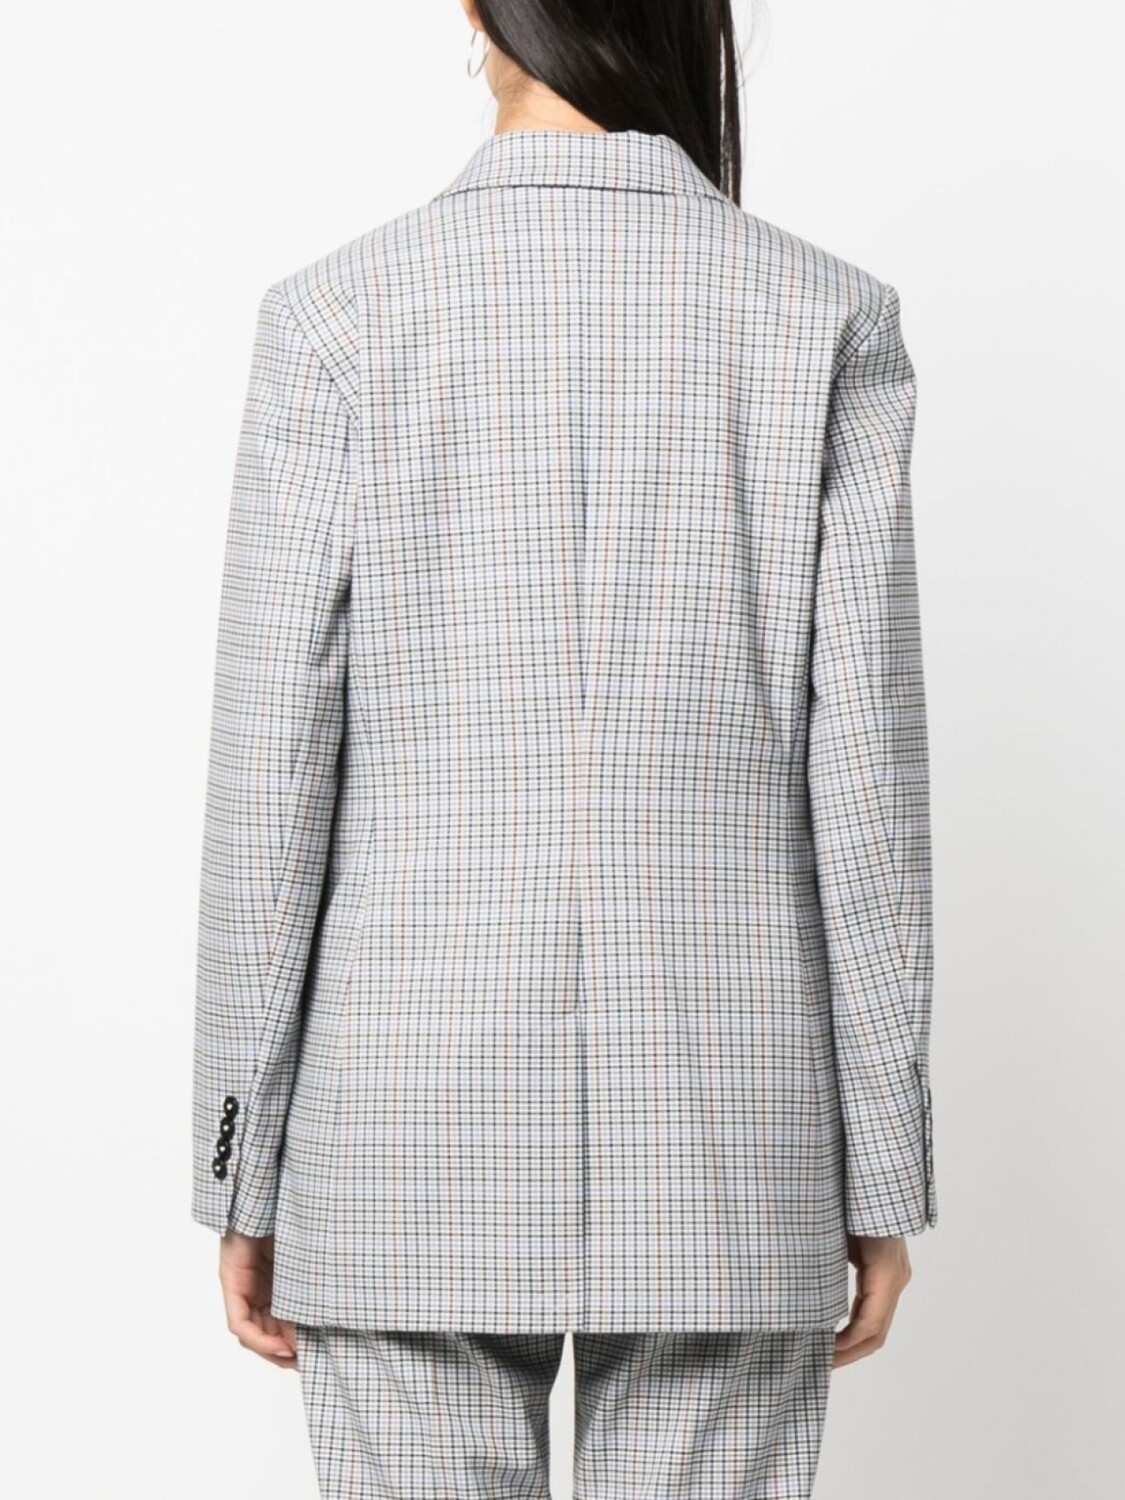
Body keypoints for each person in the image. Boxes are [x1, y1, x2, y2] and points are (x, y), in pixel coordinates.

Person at [190, 2, 938, 1495]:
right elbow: (866, 795)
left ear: (480, 9)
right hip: (736, 1141)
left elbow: (271, 780)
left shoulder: (335, 318)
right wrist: (883, 1170)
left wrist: (239, 1157)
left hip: (399, 1133)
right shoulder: (822, 318)